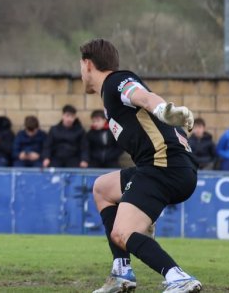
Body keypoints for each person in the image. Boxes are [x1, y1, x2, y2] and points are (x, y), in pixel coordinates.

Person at [79, 38, 201, 293]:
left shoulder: (115, 82)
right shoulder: (109, 93)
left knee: (122, 233)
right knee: (103, 188)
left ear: (87, 64)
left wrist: (163, 110)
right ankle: (122, 273)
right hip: (165, 167)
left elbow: (142, 96)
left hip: (164, 168)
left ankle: (178, 278)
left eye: (80, 65)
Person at [43, 104, 89, 168]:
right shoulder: (54, 129)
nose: (69, 119)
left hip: (73, 159)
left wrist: (84, 160)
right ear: (63, 116)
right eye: (67, 116)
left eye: (72, 116)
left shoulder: (80, 130)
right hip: (56, 158)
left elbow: (84, 147)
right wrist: (46, 158)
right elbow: (48, 146)